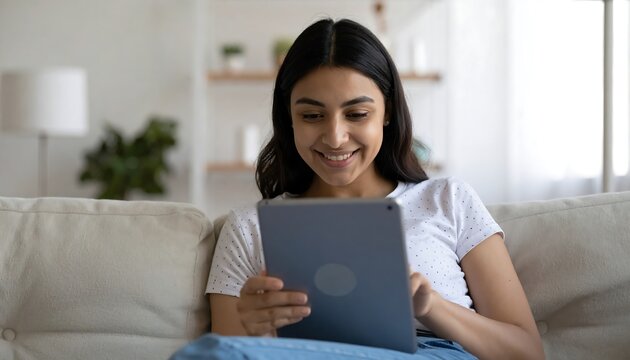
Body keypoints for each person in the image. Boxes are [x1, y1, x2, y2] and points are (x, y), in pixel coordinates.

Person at [172, 18, 544, 359]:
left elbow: (527, 353)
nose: (335, 137)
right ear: (289, 119)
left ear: (388, 112)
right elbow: (235, 350)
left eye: (357, 114)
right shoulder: (249, 226)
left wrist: (430, 307)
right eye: (312, 115)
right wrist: (259, 331)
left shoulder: (448, 200)